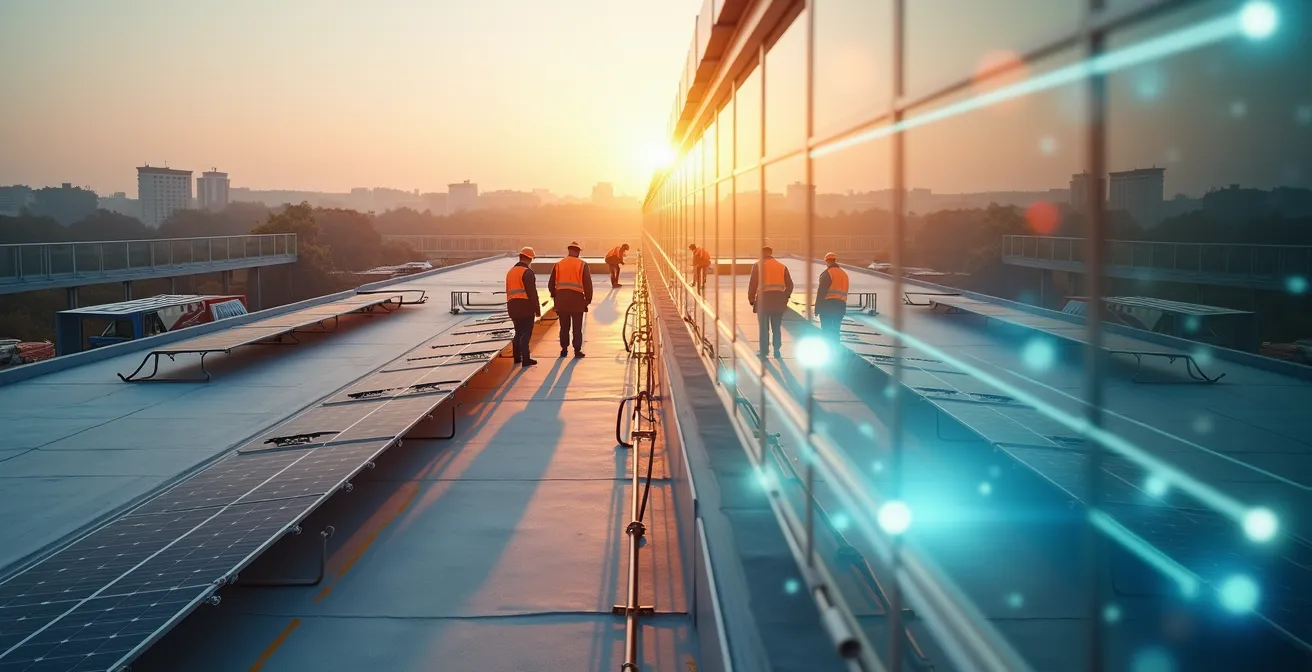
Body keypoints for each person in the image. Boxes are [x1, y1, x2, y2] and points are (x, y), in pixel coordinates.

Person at [747, 243, 793, 359]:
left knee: (764, 327)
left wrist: (751, 299)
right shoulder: (782, 266)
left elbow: (753, 284)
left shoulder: (758, 266)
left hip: (764, 300)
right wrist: (785, 297)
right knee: (776, 326)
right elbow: (790, 285)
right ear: (771, 253)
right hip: (778, 300)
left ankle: (764, 351)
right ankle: (777, 349)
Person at [549, 240, 594, 358]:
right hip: (577, 301)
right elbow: (587, 284)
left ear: (569, 250)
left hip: (561, 301)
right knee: (577, 328)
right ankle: (577, 350)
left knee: (564, 327)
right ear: (578, 252)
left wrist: (556, 296)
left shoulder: (558, 264)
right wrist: (588, 300)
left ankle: (564, 350)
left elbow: (551, 284)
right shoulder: (582, 264)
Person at [505, 247, 541, 368]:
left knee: (518, 331)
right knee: (526, 333)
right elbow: (532, 293)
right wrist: (537, 309)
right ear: (530, 258)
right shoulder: (527, 272)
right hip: (525, 306)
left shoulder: (510, 272)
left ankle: (517, 358)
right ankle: (526, 359)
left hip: (512, 306)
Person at [814, 252, 849, 341]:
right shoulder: (844, 274)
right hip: (841, 306)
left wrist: (817, 308)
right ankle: (836, 350)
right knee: (836, 330)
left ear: (827, 261)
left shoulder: (827, 274)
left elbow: (821, 292)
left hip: (828, 306)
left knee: (826, 330)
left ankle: (828, 350)